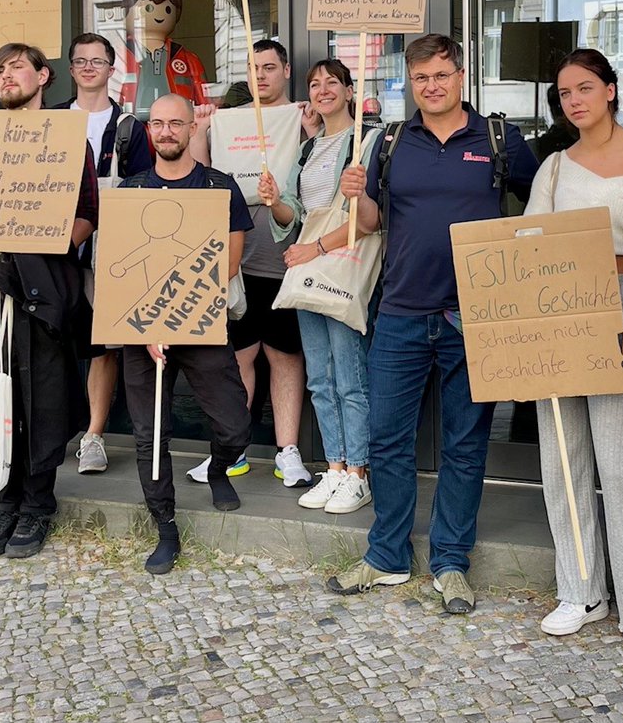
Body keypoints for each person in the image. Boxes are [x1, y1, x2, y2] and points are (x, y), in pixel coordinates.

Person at [329, 33, 538, 613]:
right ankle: (388, 556)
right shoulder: (390, 141)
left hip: (475, 316)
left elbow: (545, 203)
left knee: (465, 444)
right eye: (421, 79)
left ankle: (450, 562)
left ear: (461, 75)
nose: (432, 86)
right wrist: (355, 197)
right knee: (387, 439)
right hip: (398, 311)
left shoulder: (498, 139)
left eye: (442, 75)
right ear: (410, 83)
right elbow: (371, 220)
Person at [522, 48, 623, 654]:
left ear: (611, 90)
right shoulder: (555, 170)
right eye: (565, 93)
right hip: (558, 308)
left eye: (585, 87)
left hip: (621, 303)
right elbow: (528, 247)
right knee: (564, 461)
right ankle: (581, 591)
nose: (575, 100)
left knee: (618, 466)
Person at [0, 42, 98, 559]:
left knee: (41, 394)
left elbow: (87, 211)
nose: (5, 77)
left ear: (43, 76)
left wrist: (58, 238)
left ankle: (37, 504)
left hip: (41, 282)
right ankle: (5, 498)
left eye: (16, 66)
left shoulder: (67, 139)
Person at [118, 94, 255, 575]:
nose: (166, 131)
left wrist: (176, 312)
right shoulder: (130, 190)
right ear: (148, 130)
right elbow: (119, 270)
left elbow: (229, 262)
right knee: (149, 434)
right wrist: (149, 325)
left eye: (175, 123)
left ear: (192, 125)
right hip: (144, 333)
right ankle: (165, 526)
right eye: (157, 124)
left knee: (235, 424)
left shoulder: (220, 186)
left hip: (202, 322)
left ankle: (219, 467)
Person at [185, 39, 314, 490]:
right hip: (237, 262)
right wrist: (201, 130)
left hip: (285, 260)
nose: (260, 76)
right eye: (252, 68)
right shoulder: (227, 122)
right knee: (239, 356)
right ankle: (232, 450)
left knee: (285, 357)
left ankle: (288, 453)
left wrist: (310, 127)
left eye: (269, 67)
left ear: (285, 72)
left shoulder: (300, 120)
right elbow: (202, 181)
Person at [259, 59, 381, 514]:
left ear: (350, 91)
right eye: (315, 84)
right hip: (310, 271)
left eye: (333, 82)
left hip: (337, 267)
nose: (324, 89)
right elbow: (292, 215)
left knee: (350, 377)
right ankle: (334, 466)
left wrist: (315, 249)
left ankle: (359, 473)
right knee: (320, 379)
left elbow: (368, 221)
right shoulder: (308, 149)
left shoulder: (367, 143)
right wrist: (274, 202)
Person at [58, 33, 153, 476]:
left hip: (107, 249)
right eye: (81, 61)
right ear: (72, 69)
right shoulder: (49, 119)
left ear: (112, 69)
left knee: (103, 346)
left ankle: (93, 435)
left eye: (98, 61)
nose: (89, 68)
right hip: (51, 248)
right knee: (50, 341)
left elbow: (140, 190)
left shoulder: (130, 127)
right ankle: (51, 429)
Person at [112, 0, 208, 121]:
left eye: (168, 9)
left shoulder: (187, 59)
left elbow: (204, 97)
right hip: (132, 128)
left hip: (177, 128)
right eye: (148, 8)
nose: (158, 14)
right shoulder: (118, 57)